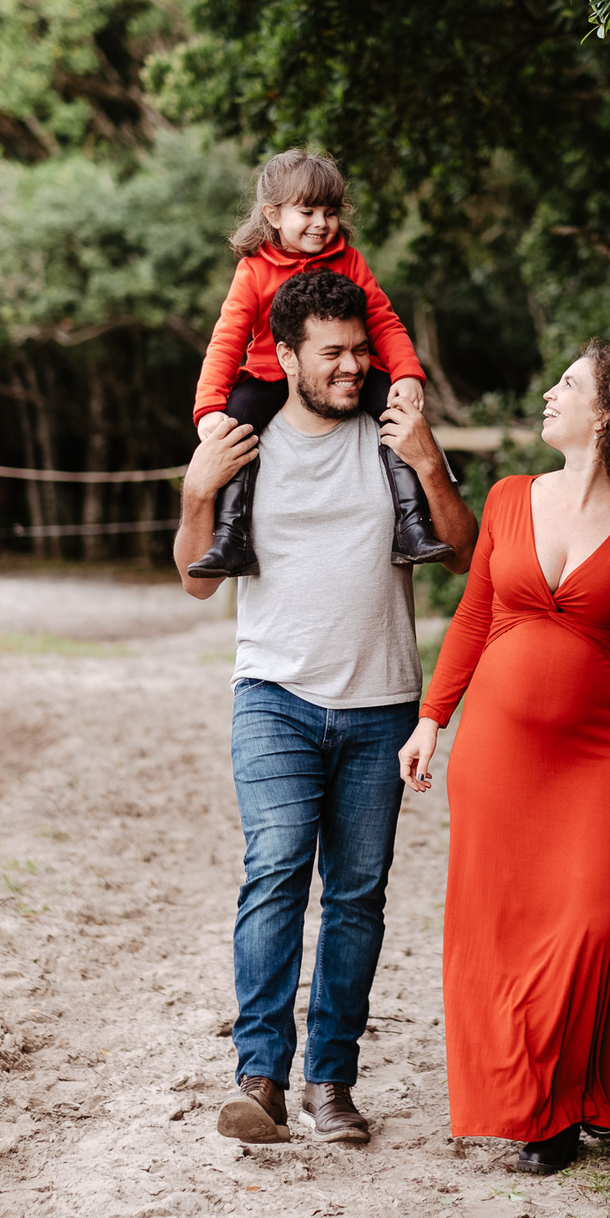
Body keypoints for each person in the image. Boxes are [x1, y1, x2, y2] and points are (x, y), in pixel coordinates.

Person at [175, 268, 477, 1146]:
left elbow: (463, 554)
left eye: (360, 351)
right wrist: (196, 492)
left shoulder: (392, 435)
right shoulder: (245, 441)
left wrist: (429, 461)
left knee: (355, 895)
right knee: (275, 870)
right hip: (273, 695)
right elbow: (195, 582)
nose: (352, 367)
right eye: (333, 354)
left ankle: (331, 1083)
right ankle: (261, 1078)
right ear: (284, 357)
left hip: (383, 704)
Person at [398, 341, 610, 1174]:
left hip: (599, 755)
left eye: (569, 384)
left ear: (606, 413)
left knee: (596, 923)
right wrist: (431, 718)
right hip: (497, 751)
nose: (549, 394)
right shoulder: (508, 497)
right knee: (499, 934)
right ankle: (542, 1114)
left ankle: (577, 1084)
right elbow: (473, 616)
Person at [189, 147, 451, 578]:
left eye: (329, 212)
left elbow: (383, 320)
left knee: (397, 413)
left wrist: (406, 372)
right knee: (234, 427)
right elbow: (227, 340)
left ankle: (411, 526)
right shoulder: (253, 270)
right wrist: (209, 407)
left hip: (342, 370)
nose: (321, 223)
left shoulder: (349, 260)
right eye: (307, 211)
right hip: (270, 374)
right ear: (273, 214)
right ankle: (231, 537)